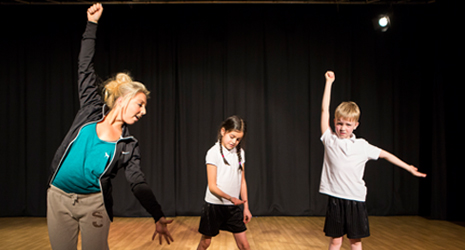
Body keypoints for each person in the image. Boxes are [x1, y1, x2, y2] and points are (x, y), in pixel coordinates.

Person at [46, 3, 173, 249]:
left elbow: (137, 181)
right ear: (123, 100)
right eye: (140, 105)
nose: (143, 112)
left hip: (95, 204)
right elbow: (85, 66)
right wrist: (91, 25)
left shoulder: (127, 145)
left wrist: (157, 214)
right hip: (58, 197)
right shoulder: (90, 109)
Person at [319, 71, 426, 250]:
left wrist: (408, 167)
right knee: (335, 241)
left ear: (355, 125)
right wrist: (329, 83)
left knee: (355, 241)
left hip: (356, 199)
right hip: (336, 199)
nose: (342, 128)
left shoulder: (362, 146)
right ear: (334, 122)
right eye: (339, 123)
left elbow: (386, 154)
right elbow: (324, 110)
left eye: (347, 124)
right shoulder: (330, 140)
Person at [197, 115, 252, 250]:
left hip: (233, 207)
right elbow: (212, 186)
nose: (234, 141)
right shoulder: (213, 153)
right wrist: (230, 198)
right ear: (223, 131)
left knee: (244, 245)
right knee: (205, 242)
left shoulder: (240, 153)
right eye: (232, 136)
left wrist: (246, 207)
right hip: (214, 207)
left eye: (238, 139)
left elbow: (242, 181)